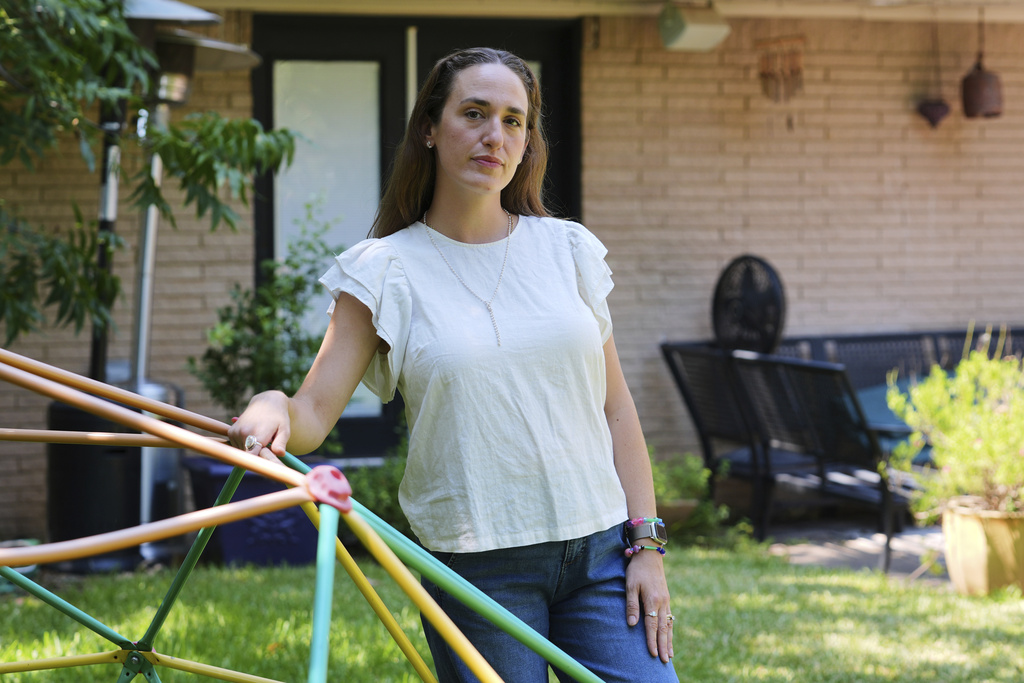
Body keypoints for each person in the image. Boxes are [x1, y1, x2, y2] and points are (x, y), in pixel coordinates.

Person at [228, 47, 678, 683]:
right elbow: (312, 414)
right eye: (474, 113)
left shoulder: (567, 249)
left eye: (513, 120)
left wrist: (647, 546)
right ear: (430, 130)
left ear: (527, 142)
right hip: (477, 571)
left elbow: (615, 407)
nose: (495, 135)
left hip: (602, 554)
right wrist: (273, 404)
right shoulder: (383, 271)